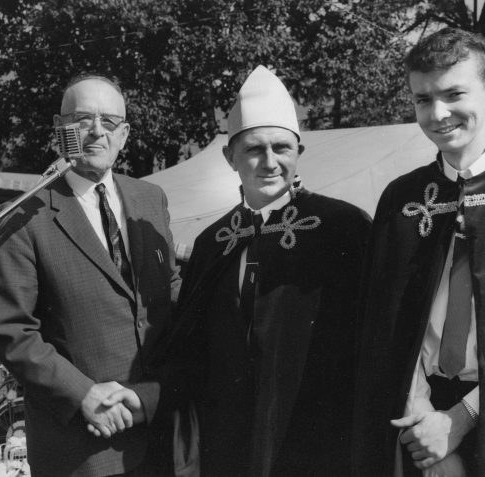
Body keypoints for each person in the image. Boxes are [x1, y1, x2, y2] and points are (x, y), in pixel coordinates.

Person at [352, 27, 485, 476]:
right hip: (417, 426)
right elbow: (385, 326)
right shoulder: (402, 197)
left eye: (453, 93)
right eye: (422, 99)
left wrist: (461, 421)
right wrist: (424, 422)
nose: (439, 113)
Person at [158, 65, 371, 476]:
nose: (270, 162)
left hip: (315, 437)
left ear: (299, 152)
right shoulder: (212, 242)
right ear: (229, 156)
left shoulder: (343, 227)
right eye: (255, 149)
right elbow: (193, 349)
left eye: (282, 147)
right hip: (230, 443)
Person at [0, 74, 182, 476]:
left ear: (124, 134)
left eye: (109, 121)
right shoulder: (25, 214)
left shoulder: (151, 200)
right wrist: (84, 395)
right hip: (80, 447)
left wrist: (152, 396)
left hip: (160, 436)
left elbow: (169, 300)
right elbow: (12, 329)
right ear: (60, 130)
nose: (96, 131)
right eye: (82, 119)